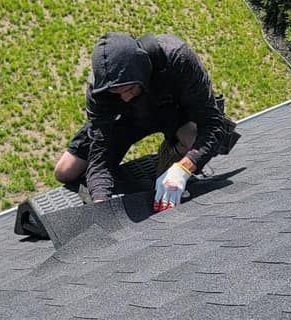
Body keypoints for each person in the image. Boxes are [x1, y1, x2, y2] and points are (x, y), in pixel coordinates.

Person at [53, 32, 238, 211]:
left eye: (130, 89)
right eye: (117, 93)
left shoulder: (176, 57)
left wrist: (184, 168)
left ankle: (172, 157)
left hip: (171, 112)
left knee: (195, 139)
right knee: (65, 172)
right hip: (124, 121)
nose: (125, 97)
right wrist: (101, 202)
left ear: (141, 70)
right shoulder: (99, 91)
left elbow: (213, 125)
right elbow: (101, 157)